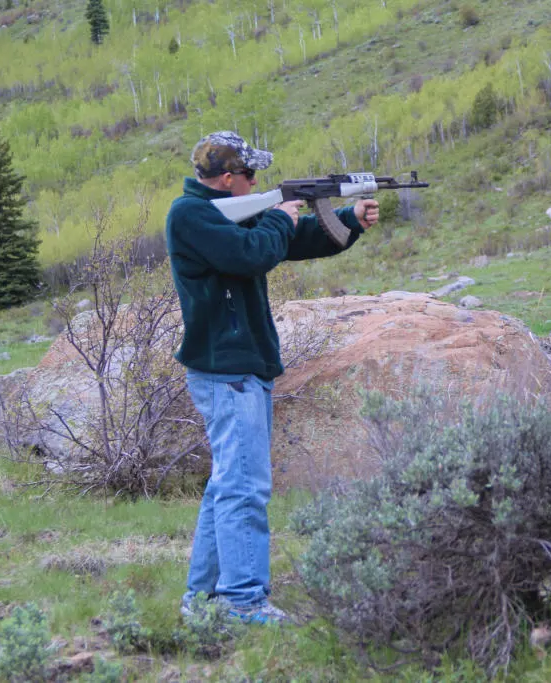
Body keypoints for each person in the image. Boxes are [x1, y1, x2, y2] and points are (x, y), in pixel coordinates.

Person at [166, 131, 379, 625]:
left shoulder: (231, 211)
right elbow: (254, 253)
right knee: (244, 487)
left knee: (228, 485)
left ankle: (202, 601)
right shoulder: (191, 215)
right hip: (228, 370)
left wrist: (349, 219)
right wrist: (283, 215)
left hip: (241, 367)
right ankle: (242, 601)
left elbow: (292, 241)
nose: (256, 181)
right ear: (225, 179)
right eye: (249, 175)